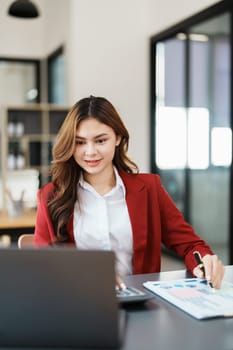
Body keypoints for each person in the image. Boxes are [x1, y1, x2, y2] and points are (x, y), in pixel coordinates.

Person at [34, 95, 225, 288]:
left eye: (100, 141)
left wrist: (206, 261)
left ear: (117, 138)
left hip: (141, 302)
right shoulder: (50, 197)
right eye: (80, 142)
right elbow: (43, 269)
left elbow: (191, 245)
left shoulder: (149, 188)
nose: (90, 152)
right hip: (79, 302)